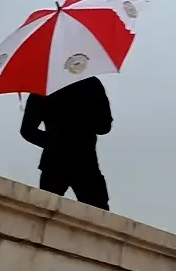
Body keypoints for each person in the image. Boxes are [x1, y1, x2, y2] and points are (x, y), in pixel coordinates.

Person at [19, 76, 112, 210]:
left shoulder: (44, 88)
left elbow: (27, 130)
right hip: (84, 159)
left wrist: (53, 142)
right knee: (99, 215)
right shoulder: (90, 83)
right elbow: (104, 126)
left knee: (45, 213)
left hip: (56, 160)